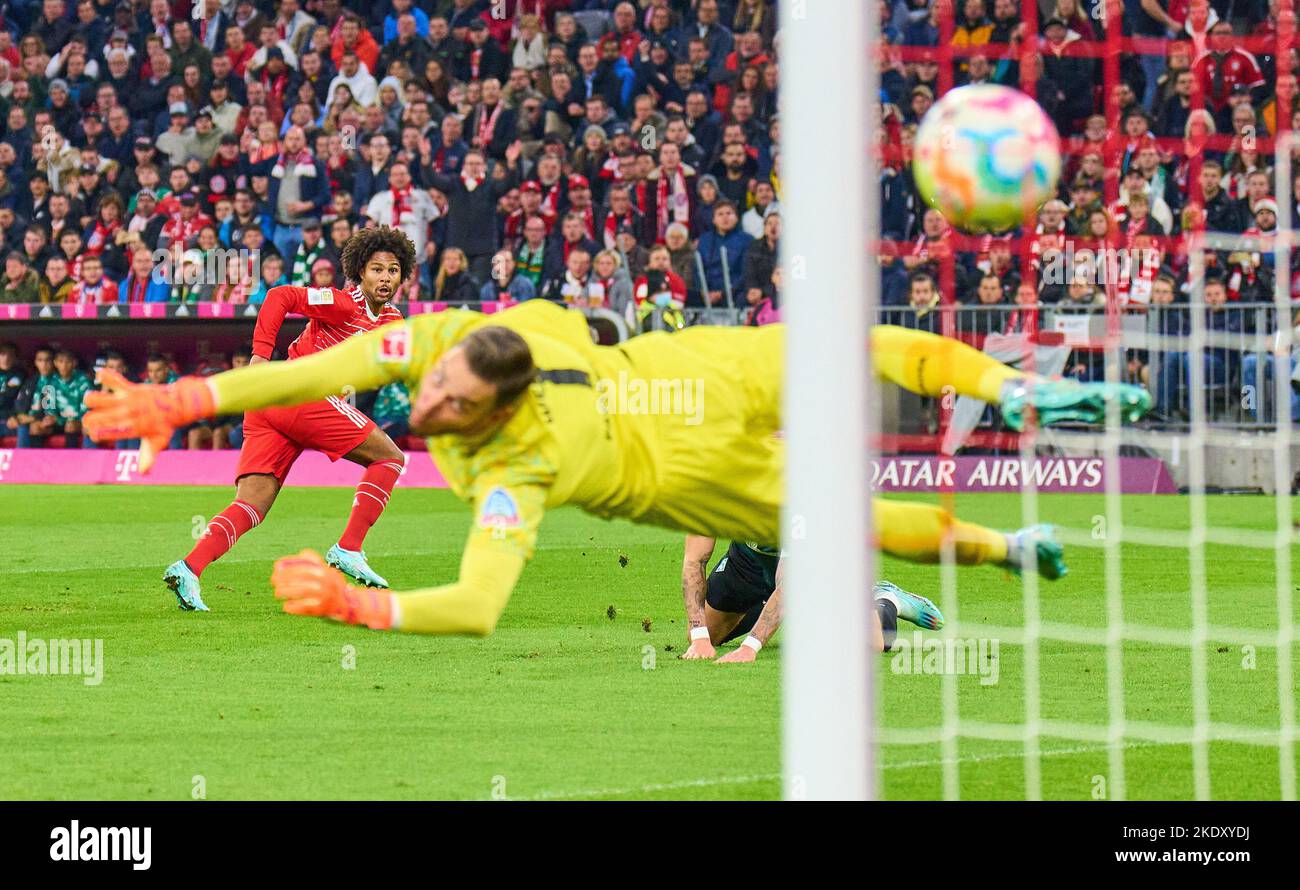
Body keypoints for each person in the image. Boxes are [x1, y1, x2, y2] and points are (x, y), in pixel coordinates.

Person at [86, 307, 1152, 636]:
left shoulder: (521, 463)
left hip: (679, 418)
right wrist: (178, 400)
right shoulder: (468, 336)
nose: (434, 396)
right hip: (680, 412)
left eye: (453, 399)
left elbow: (475, 598)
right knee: (845, 508)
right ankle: (1002, 542)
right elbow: (308, 364)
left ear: (493, 412)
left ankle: (1009, 388)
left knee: (843, 348)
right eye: (441, 377)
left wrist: (360, 609)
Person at [141, 227, 414, 612]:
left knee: (253, 504)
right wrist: (259, 357)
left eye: (393, 270)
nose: (385, 278)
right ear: (359, 273)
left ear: (403, 277)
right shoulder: (342, 303)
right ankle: (348, 548)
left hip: (271, 403)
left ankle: (189, 567)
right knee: (389, 458)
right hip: (298, 392)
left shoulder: (390, 320)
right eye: (376, 270)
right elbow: (280, 295)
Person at [679, 536, 944, 663]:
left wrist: (750, 648)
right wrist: (700, 636)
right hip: (747, 562)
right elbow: (694, 559)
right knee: (704, 637)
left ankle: (884, 598)